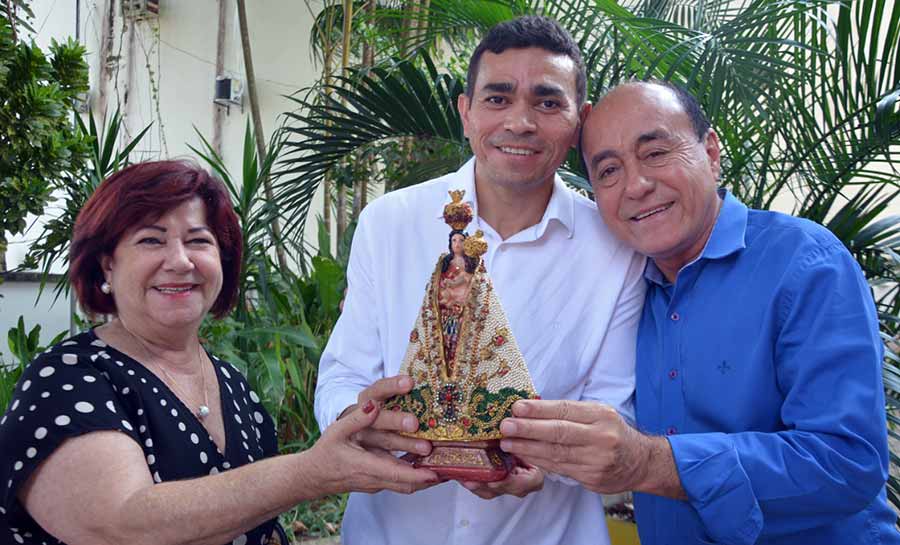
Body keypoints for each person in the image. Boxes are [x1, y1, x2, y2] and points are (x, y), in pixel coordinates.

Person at [498, 81, 900, 544]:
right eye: (608, 170)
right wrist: (534, 464)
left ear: (711, 152)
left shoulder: (804, 263)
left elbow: (847, 461)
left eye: (655, 153)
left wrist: (652, 462)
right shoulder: (622, 289)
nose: (636, 185)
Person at [315, 16, 646, 545]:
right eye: (497, 98)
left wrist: (538, 459)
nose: (520, 121)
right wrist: (366, 420)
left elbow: (615, 410)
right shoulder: (389, 222)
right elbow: (340, 377)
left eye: (546, 102)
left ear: (579, 120)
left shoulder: (617, 247)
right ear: (465, 112)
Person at [0, 160, 437, 545]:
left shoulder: (229, 380)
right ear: (106, 265)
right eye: (151, 240)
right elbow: (123, 525)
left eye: (198, 240)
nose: (180, 261)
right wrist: (309, 473)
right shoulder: (70, 377)